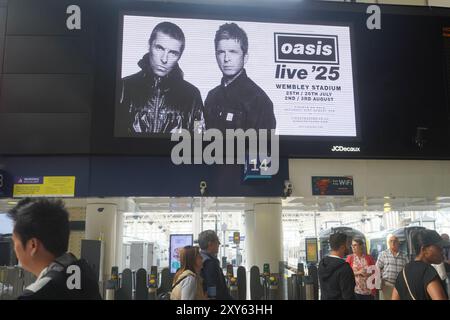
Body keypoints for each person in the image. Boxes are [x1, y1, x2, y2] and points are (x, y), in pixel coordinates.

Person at [118, 22, 204, 134]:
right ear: (149, 45)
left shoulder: (192, 95)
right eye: (159, 48)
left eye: (173, 53)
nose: (164, 59)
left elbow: (199, 139)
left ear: (179, 56)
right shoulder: (123, 87)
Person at [7, 198, 101, 300]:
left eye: (15, 242)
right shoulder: (84, 275)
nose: (14, 248)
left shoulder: (37, 294)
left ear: (33, 245)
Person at [204, 23, 276, 132]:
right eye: (221, 52)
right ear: (216, 56)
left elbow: (264, 147)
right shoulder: (212, 96)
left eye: (233, 52)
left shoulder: (259, 101)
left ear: (245, 57)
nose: (226, 59)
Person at [392, 229, 450, 300]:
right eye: (438, 247)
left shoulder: (402, 273)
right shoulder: (427, 271)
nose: (442, 250)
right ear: (424, 249)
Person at [318, 232, 356, 300]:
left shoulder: (322, 264)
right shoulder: (345, 268)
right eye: (347, 245)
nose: (348, 247)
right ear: (342, 247)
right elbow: (348, 296)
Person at [198, 230, 232, 300]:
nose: (219, 244)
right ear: (210, 244)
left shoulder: (200, 259)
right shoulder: (210, 263)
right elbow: (214, 287)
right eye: (217, 242)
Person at [376, 234, 408, 300]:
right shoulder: (383, 254)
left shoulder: (404, 256)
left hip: (400, 286)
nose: (393, 243)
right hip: (386, 285)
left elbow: (407, 270)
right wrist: (378, 284)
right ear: (388, 243)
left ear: (398, 243)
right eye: (391, 241)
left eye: (395, 241)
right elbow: (377, 269)